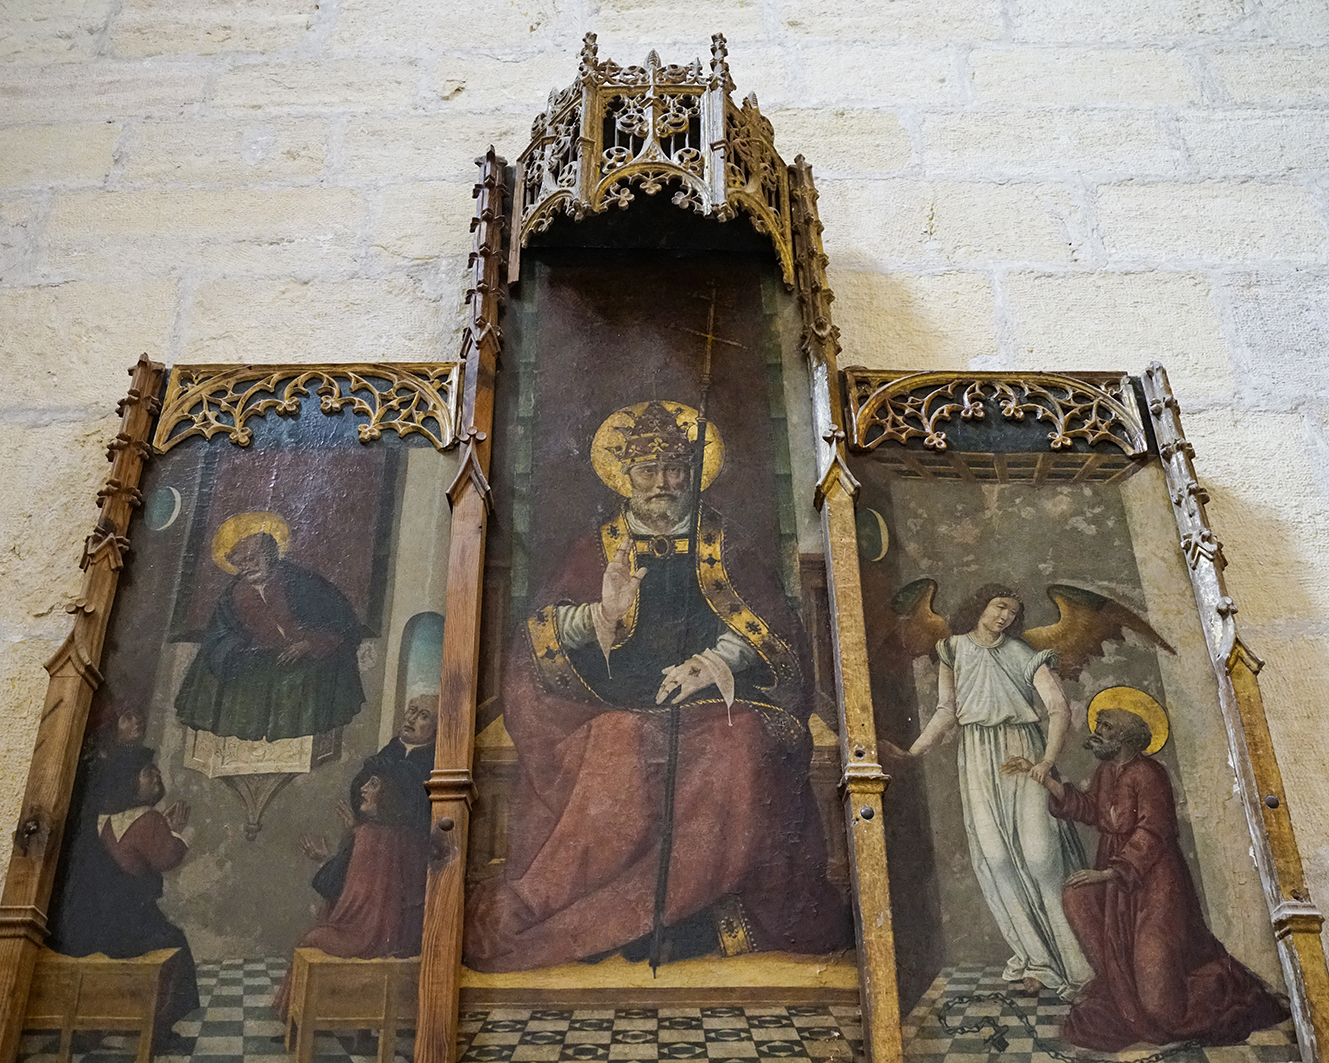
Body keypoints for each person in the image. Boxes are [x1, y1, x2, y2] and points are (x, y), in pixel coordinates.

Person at [464, 400, 849, 972]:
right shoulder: (595, 546)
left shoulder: (725, 542)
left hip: (721, 702)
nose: (664, 483)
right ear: (625, 476)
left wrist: (711, 662)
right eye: (649, 471)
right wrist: (601, 613)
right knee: (618, 746)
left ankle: (702, 913)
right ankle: (613, 913)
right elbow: (539, 638)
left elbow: (771, 630)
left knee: (739, 743)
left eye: (676, 470)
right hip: (615, 704)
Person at [1010, 691, 1290, 1049]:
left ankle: (1224, 987)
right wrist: (1046, 779)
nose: (1096, 731)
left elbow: (1152, 832)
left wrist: (1108, 873)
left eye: (1105, 727)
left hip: (1157, 886)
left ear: (1127, 736)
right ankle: (1119, 987)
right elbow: (1092, 811)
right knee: (1077, 895)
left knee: (1163, 1010)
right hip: (1119, 883)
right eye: (1098, 724)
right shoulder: (1106, 771)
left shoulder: (1150, 774)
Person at [901, 584, 1091, 998]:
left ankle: (1077, 965)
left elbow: (1057, 708)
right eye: (999, 607)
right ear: (980, 605)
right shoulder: (951, 649)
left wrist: (1045, 762)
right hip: (976, 757)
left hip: (1022, 752)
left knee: (1042, 858)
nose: (1005, 616)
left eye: (1012, 612)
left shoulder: (1024, 654)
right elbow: (946, 711)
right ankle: (1037, 962)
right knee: (998, 859)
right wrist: (911, 754)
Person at [46, 747, 200, 1050]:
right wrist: (178, 833)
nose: (156, 776)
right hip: (130, 918)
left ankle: (91, 1029)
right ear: (128, 781)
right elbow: (165, 857)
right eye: (147, 773)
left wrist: (161, 828)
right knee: (175, 946)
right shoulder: (149, 818)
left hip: (94, 918)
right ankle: (159, 1034)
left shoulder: (101, 818)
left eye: (155, 771)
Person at [175, 518, 365, 742]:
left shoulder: (302, 582)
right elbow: (219, 635)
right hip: (259, 662)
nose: (247, 566)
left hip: (311, 659)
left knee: (305, 678)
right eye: (240, 563)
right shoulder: (231, 597)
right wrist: (240, 649)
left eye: (252, 558)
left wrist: (309, 643)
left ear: (269, 555)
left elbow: (341, 621)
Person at [274, 764, 430, 1019]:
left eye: (374, 784)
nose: (363, 789)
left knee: (312, 938)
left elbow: (344, 894)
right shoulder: (408, 837)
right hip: (404, 936)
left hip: (370, 934)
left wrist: (344, 846)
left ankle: (298, 1019)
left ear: (390, 793)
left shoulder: (368, 835)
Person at [302, 694, 438, 905]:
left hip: (403, 855)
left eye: (423, 716)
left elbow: (414, 802)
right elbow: (361, 785)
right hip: (369, 843)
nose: (411, 719)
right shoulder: (392, 749)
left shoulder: (432, 760)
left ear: (437, 727)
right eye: (412, 710)